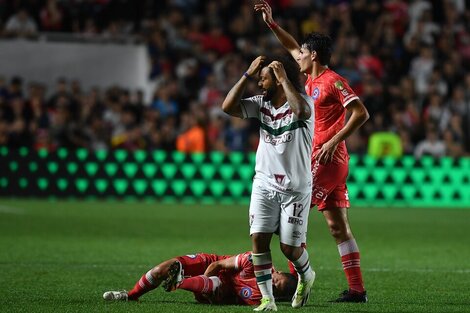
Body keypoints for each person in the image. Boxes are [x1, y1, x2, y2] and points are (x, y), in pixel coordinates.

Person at [255, 1, 370, 303]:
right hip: (324, 159)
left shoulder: (332, 81)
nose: (298, 57)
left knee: (287, 222)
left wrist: (333, 141)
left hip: (327, 159)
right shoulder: (310, 79)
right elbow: (291, 45)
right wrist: (271, 23)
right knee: (338, 227)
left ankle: (299, 282)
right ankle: (357, 290)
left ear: (314, 55)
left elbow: (360, 113)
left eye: (303, 54)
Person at [222, 55, 315, 311]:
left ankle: (307, 275)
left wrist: (284, 77)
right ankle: (268, 300)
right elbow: (227, 107)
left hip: (295, 190)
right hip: (264, 184)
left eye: (264, 79)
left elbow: (302, 112)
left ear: (277, 78)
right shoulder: (260, 103)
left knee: (289, 248)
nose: (260, 84)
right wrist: (246, 74)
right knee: (258, 240)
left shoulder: (304, 102)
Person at [102, 251, 297, 306]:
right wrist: (200, 282)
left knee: (216, 285)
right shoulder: (255, 261)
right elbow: (217, 266)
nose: (271, 283)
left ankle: (179, 281)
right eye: (276, 279)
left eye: (275, 288)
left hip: (216, 289)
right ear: (276, 271)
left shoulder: (258, 298)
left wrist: (210, 297)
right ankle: (130, 295)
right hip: (209, 265)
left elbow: (228, 301)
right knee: (161, 270)